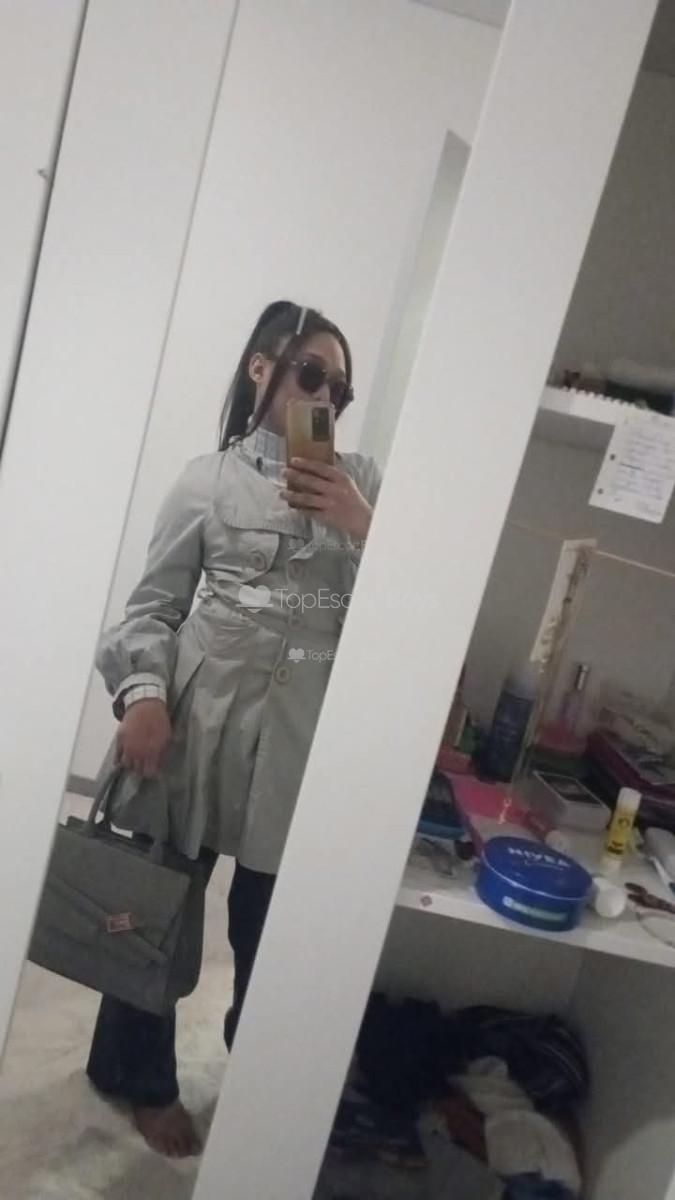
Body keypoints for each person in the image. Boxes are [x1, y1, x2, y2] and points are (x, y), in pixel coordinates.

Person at [85, 300, 382, 1157]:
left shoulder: (365, 484)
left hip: (300, 748)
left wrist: (362, 524)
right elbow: (152, 607)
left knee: (275, 933)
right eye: (310, 374)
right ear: (262, 367)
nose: (323, 397)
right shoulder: (206, 482)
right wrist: (144, 696)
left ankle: (257, 1079)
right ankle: (139, 1079)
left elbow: (407, 613)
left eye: (338, 389)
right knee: (152, 912)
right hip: (199, 729)